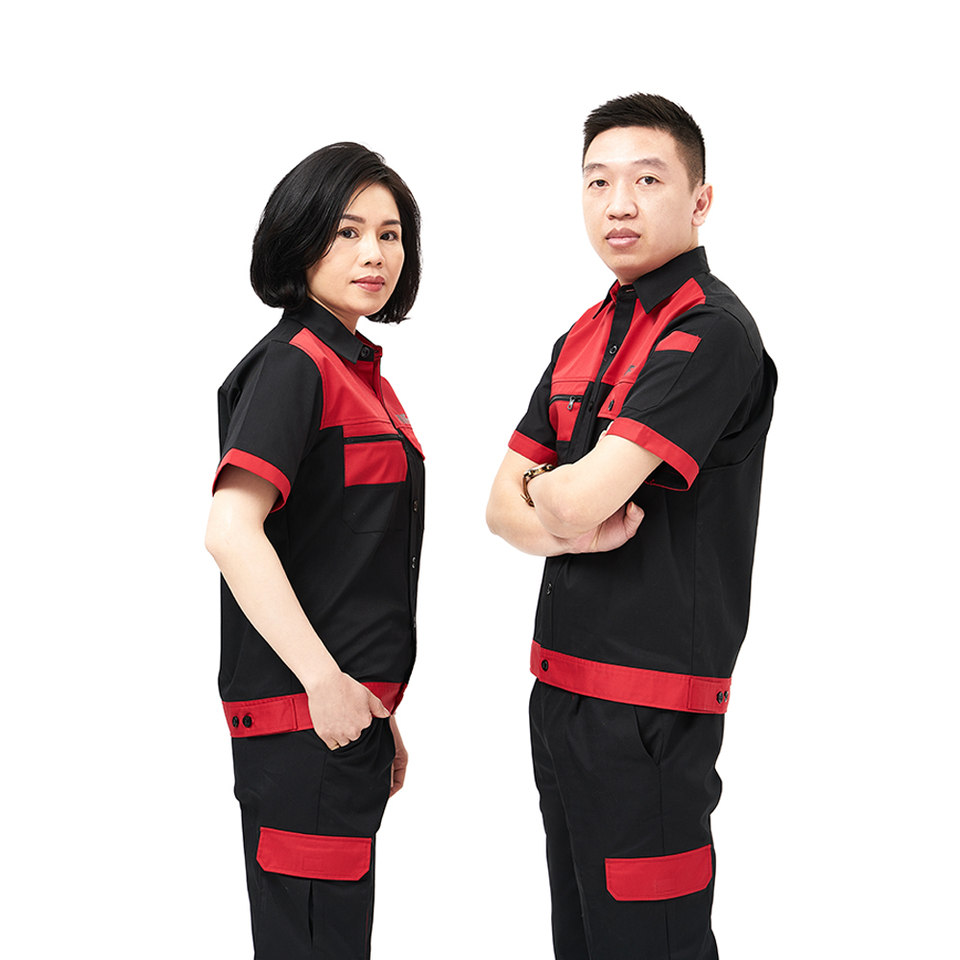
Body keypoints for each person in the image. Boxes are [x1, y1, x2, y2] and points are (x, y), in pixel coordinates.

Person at [486, 94, 776, 960]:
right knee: (581, 939)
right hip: (559, 693)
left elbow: (562, 502)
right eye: (598, 182)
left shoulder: (709, 332)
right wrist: (559, 502)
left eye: (647, 180)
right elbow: (499, 510)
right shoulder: (584, 333)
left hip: (649, 711)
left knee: (650, 942)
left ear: (700, 200)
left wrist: (551, 498)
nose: (618, 204)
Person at [205, 142, 424, 960]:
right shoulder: (295, 367)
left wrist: (374, 709)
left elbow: (340, 557)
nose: (374, 254)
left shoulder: (355, 371)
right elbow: (230, 529)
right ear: (299, 240)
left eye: (390, 234)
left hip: (340, 723)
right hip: (306, 725)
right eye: (347, 232)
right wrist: (327, 686)